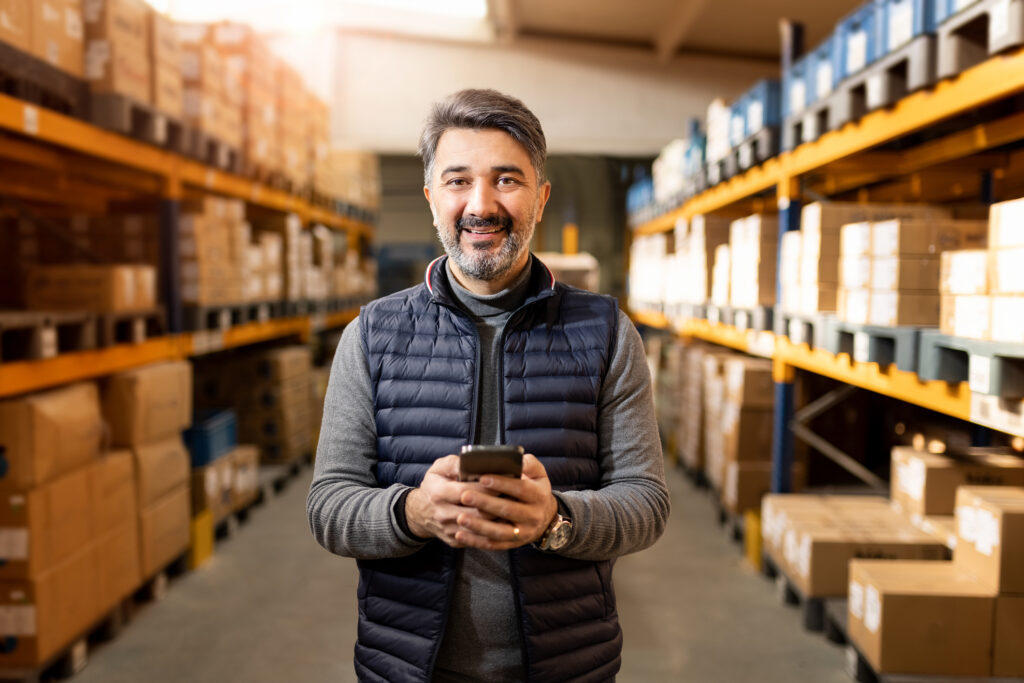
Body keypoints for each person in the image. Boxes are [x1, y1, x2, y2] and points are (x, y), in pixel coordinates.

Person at [307, 88, 669, 683]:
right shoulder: (371, 335)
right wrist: (414, 512)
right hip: (408, 666)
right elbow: (329, 506)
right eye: (457, 181)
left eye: (507, 179)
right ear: (431, 198)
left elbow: (646, 503)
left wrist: (557, 520)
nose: (481, 204)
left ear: (540, 198)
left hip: (566, 664)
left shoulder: (606, 333)